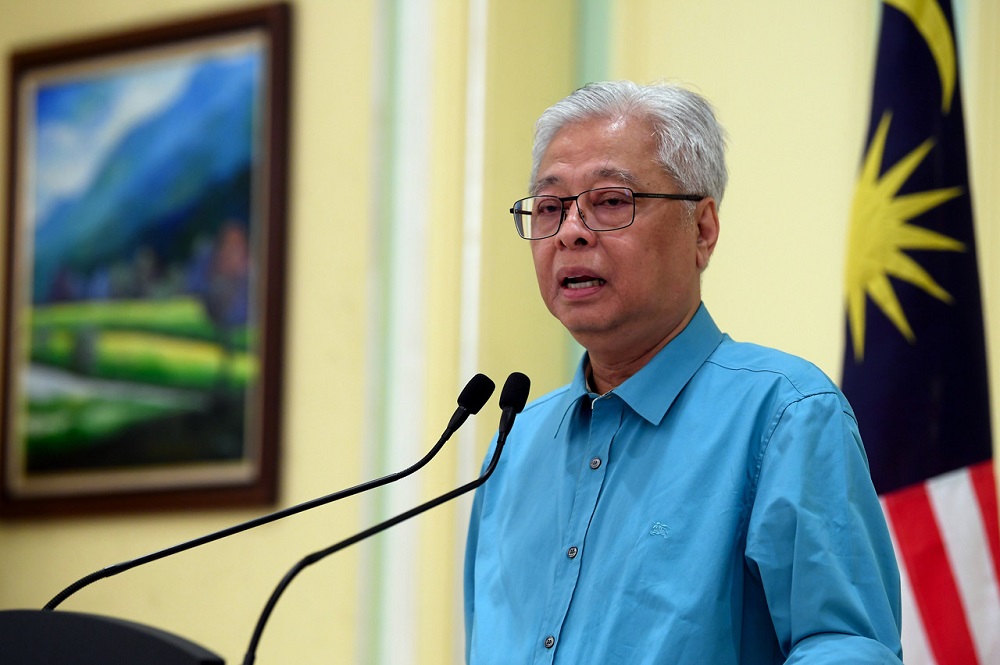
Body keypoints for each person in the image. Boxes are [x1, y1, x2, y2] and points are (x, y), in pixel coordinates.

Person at [463, 81, 903, 664]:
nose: (570, 231)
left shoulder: (785, 416)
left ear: (702, 229)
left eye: (611, 201)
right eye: (550, 207)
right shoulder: (515, 445)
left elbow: (847, 648)